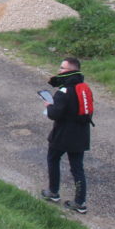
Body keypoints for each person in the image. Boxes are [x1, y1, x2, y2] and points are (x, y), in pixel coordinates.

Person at [41, 57, 91, 213]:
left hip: (63, 134)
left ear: (70, 71)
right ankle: (80, 202)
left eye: (62, 68)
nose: (59, 71)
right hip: (81, 134)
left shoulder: (64, 91)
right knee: (77, 168)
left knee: (53, 159)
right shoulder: (84, 88)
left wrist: (49, 106)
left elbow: (54, 114)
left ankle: (53, 192)